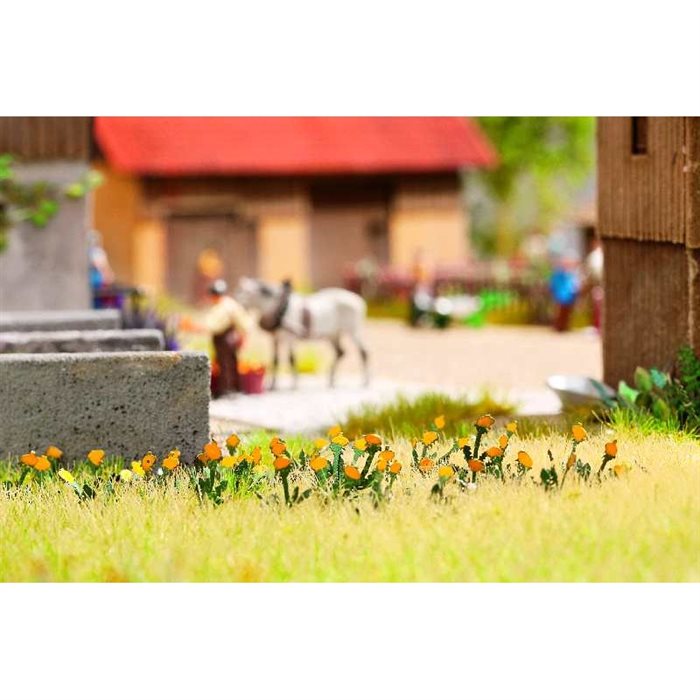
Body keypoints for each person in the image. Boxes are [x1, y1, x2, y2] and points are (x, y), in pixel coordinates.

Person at [204, 279, 253, 397]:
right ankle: (234, 387)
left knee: (225, 364)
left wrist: (243, 336)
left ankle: (227, 388)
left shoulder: (224, 306)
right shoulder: (228, 304)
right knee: (229, 362)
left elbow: (214, 325)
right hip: (227, 338)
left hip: (225, 338)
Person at [549, 253, 581, 332]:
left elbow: (574, 285)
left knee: (566, 312)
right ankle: (558, 326)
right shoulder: (559, 274)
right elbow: (554, 284)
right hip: (561, 296)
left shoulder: (570, 274)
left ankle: (564, 326)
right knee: (559, 312)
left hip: (568, 296)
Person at [87, 230, 115, 309]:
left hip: (98, 279)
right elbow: (101, 266)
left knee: (98, 299)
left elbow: (104, 267)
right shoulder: (93, 252)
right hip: (94, 279)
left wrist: (108, 275)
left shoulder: (97, 252)